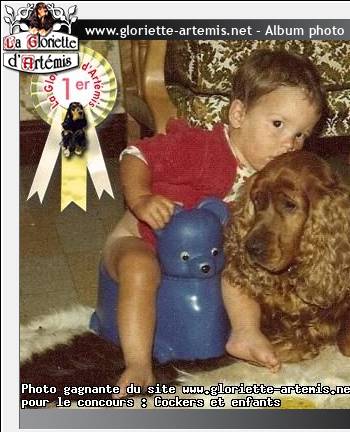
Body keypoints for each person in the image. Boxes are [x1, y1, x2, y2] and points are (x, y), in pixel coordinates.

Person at [102, 49, 326, 397]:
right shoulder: (200, 147)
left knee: (241, 268)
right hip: (141, 240)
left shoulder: (270, 175)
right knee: (140, 269)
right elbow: (136, 155)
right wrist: (141, 198)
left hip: (208, 257)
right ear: (238, 114)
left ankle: (244, 333)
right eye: (278, 125)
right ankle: (138, 363)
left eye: (300, 135)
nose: (289, 144)